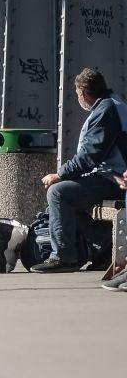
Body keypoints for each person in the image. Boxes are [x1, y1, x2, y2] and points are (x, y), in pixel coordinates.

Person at [33, 68, 127, 273]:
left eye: (77, 95)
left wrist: (60, 174)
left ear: (83, 94)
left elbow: (89, 157)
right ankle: (103, 249)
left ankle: (64, 257)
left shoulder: (105, 111)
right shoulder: (113, 104)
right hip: (113, 176)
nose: (79, 99)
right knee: (68, 199)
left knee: (58, 193)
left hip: (114, 180)